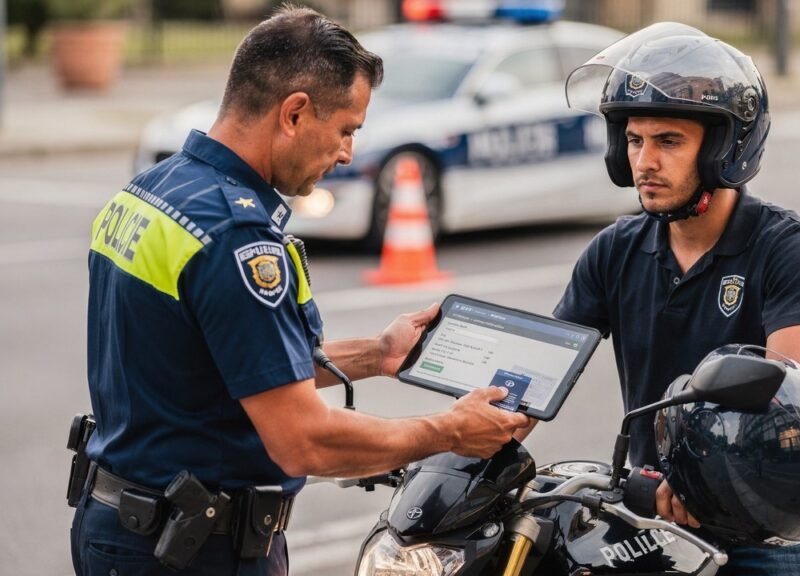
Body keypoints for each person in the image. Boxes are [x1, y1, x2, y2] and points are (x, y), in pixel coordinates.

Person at [71, 6, 528, 575]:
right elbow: (301, 439)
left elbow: (223, 367)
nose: (346, 154)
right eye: (346, 129)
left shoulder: (151, 191)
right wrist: (450, 433)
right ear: (293, 113)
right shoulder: (236, 235)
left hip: (121, 526)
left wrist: (375, 356)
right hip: (194, 551)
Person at [554, 22, 800, 575]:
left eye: (668, 142)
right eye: (635, 141)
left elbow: (787, 398)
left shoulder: (791, 249)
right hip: (656, 513)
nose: (645, 162)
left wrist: (699, 480)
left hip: (774, 523)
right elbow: (540, 370)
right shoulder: (615, 250)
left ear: (722, 151)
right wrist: (459, 435)